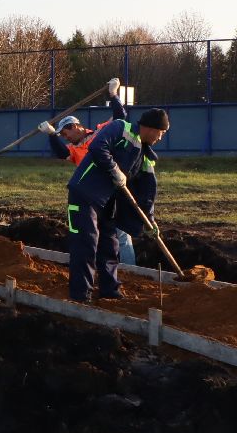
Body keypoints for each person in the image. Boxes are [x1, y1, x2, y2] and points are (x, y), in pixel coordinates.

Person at [64, 106, 169, 302]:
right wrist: (114, 169)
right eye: (161, 133)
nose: (161, 138)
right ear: (151, 128)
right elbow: (97, 147)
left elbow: (147, 192)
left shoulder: (145, 155)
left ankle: (109, 291)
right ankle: (81, 297)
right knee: (86, 244)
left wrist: (150, 220)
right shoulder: (120, 127)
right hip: (85, 194)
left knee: (110, 247)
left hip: (109, 202)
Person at [39, 78, 136, 264]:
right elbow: (61, 153)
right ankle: (107, 267)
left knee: (121, 234)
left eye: (65, 134)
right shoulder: (74, 150)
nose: (65, 138)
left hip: (113, 187)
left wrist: (113, 94)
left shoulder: (102, 132)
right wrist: (52, 135)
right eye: (62, 136)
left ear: (75, 127)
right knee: (99, 234)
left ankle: (131, 270)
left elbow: (120, 118)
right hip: (92, 196)